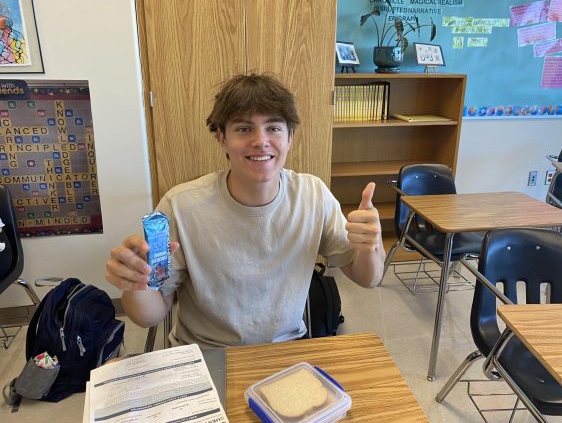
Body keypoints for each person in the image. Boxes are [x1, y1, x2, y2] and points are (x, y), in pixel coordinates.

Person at [106, 73, 385, 348]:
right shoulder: (180, 206)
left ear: (290, 137)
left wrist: (370, 246)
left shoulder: (313, 196)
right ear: (222, 138)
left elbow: (367, 278)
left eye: (273, 128)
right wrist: (135, 283)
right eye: (243, 128)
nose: (260, 141)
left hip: (285, 350)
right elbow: (149, 316)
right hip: (205, 352)